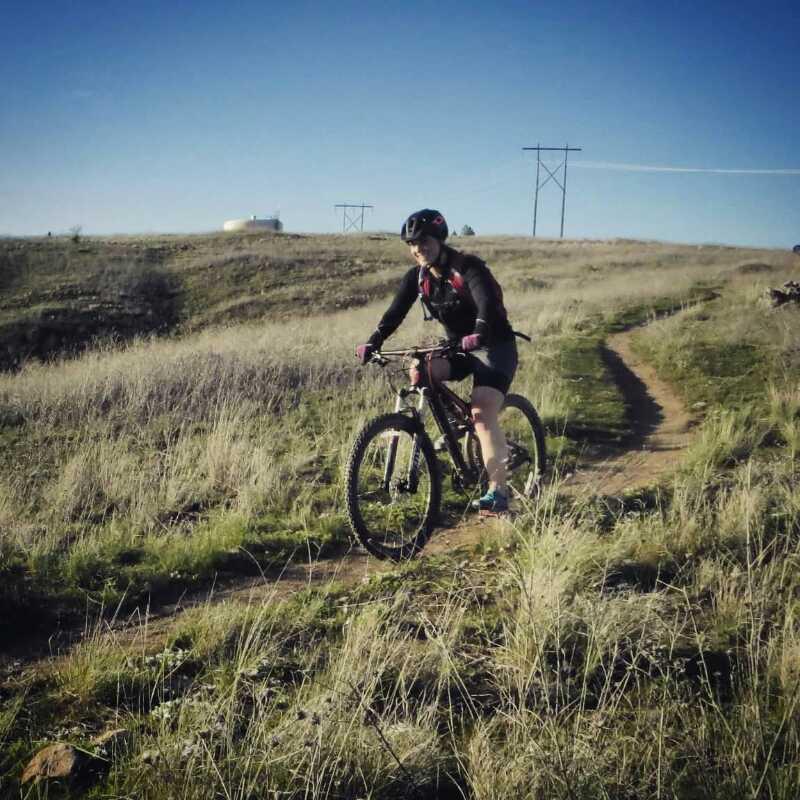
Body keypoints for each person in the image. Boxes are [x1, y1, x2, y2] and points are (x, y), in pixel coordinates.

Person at [355, 209, 518, 513]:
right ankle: (455, 430)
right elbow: (394, 313)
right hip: (458, 346)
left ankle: (498, 492)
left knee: (482, 412)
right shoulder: (417, 277)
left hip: (494, 346)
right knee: (422, 372)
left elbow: (487, 303)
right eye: (412, 244)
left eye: (423, 241)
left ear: (439, 240)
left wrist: (480, 332)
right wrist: (373, 341)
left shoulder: (467, 268)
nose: (417, 249)